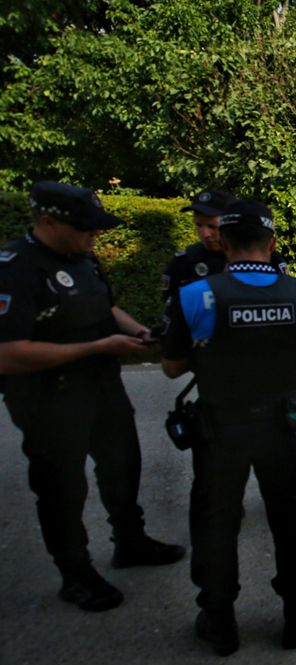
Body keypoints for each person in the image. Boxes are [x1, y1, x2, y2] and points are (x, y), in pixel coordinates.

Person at [0, 181, 185, 612]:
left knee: (122, 464)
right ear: (48, 222)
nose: (95, 235)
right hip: (49, 398)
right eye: (85, 228)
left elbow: (106, 308)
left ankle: (130, 541)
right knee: (62, 488)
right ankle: (75, 573)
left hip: (102, 387)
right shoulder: (15, 268)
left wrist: (135, 329)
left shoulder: (82, 256)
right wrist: (97, 348)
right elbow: (8, 355)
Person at [161, 199, 296, 656]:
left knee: (216, 524)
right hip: (284, 429)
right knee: (289, 522)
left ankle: (219, 622)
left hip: (220, 432)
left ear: (225, 243)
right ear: (272, 243)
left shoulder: (197, 295)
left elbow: (172, 367)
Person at [163, 188, 296, 529]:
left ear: (229, 231)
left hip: (271, 397)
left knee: (284, 484)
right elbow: (174, 336)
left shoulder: (276, 269)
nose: (206, 233)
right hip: (224, 396)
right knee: (225, 494)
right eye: (199, 224)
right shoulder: (184, 265)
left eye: (213, 226)